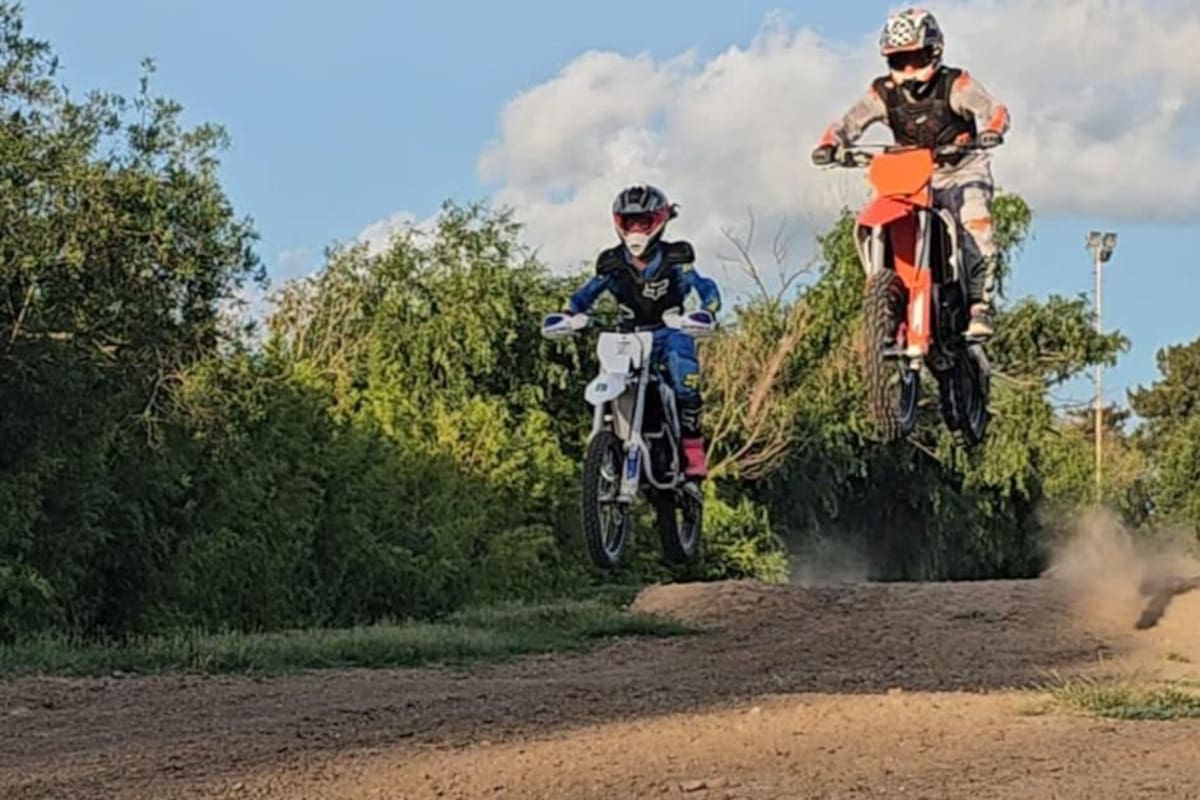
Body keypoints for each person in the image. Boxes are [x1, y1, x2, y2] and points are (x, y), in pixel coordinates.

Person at [811, 7, 1010, 339]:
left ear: (933, 50)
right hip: (908, 174)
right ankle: (886, 293)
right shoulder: (883, 92)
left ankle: (979, 304)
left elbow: (995, 110)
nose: (908, 67)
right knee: (878, 217)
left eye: (915, 57)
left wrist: (992, 130)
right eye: (899, 59)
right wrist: (830, 143)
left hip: (960, 169)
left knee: (975, 221)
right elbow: (849, 121)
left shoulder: (956, 84)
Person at [565, 184, 722, 481]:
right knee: (602, 376)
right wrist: (570, 313)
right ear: (619, 224)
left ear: (659, 221)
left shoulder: (676, 258)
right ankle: (608, 440)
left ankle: (692, 448)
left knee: (684, 374)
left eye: (644, 222)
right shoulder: (611, 263)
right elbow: (586, 293)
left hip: (669, 330)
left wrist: (708, 311)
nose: (636, 229)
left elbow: (705, 287)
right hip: (627, 337)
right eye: (630, 222)